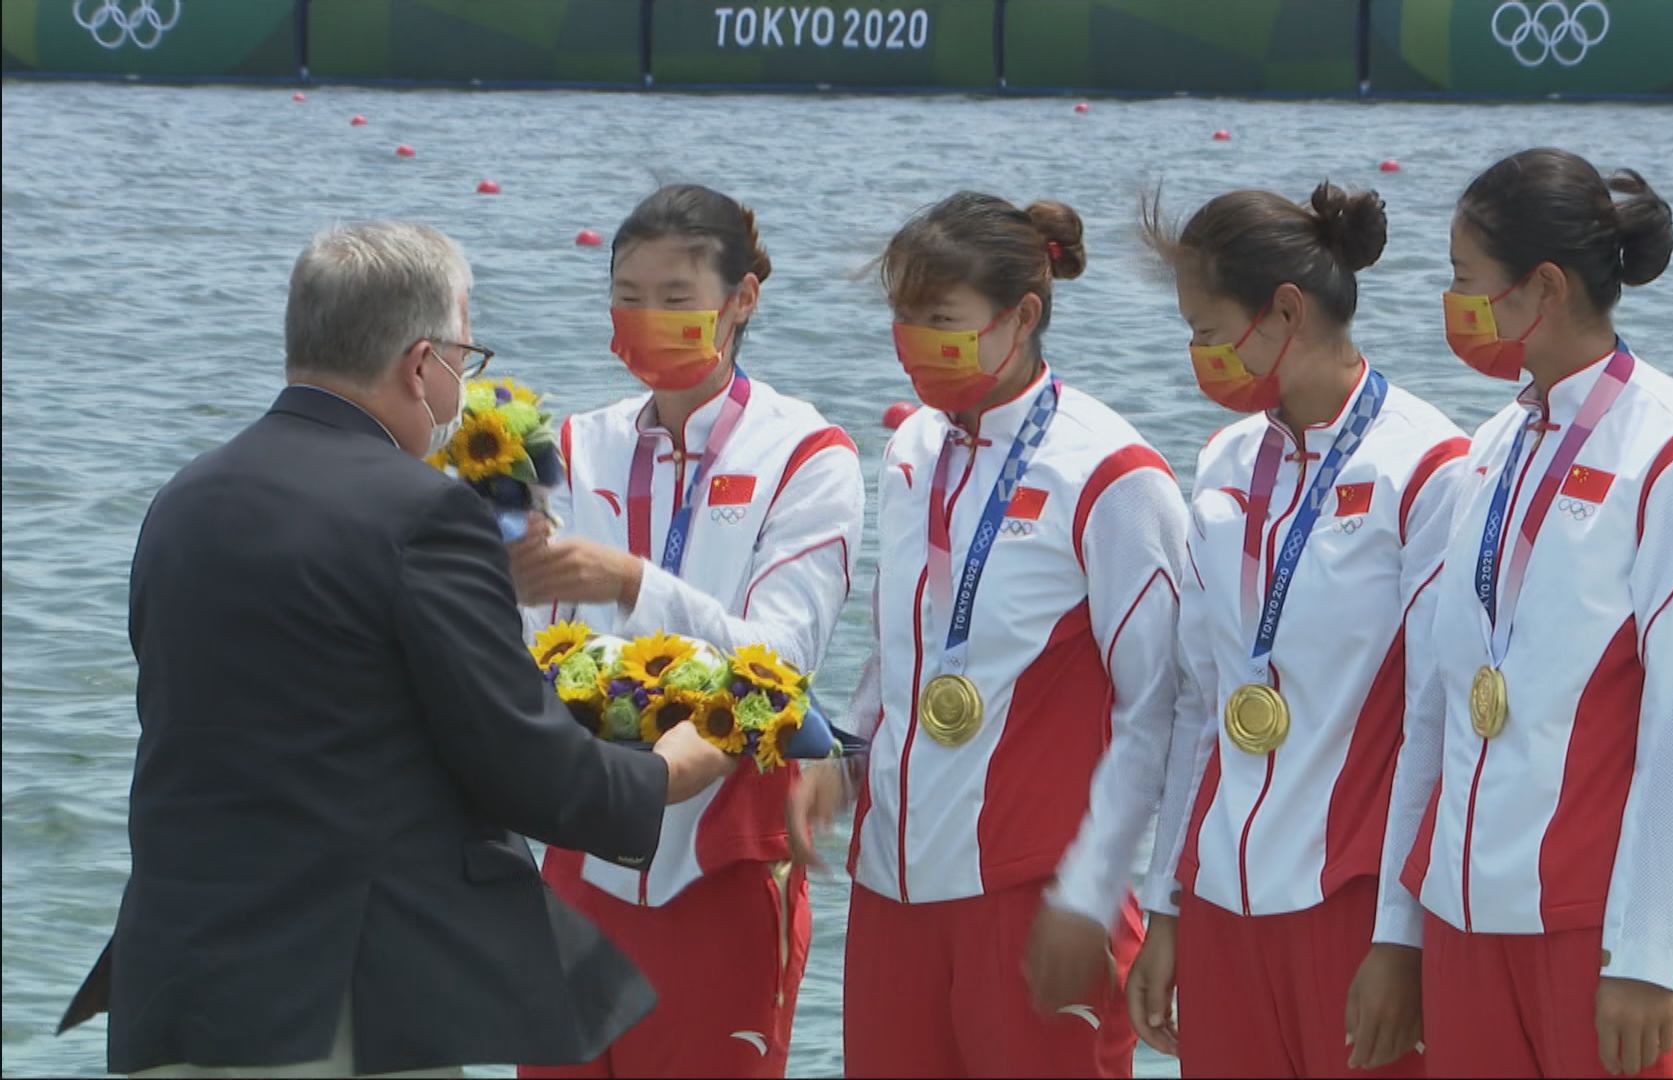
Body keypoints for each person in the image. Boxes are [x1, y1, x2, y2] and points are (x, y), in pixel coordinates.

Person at [55, 222, 738, 1079]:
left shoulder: (184, 497)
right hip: (335, 1004)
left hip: (176, 982)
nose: (464, 386)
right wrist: (680, 760)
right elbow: (527, 769)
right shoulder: (425, 513)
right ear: (422, 365)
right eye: (465, 358)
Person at [786, 192, 1186, 1079]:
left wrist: (1100, 894)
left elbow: (1161, 711)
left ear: (1023, 317)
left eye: (940, 319)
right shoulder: (911, 452)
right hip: (891, 894)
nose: (914, 340)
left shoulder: (1113, 476)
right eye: (902, 318)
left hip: (1038, 899)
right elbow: (900, 646)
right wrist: (839, 761)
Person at [1394, 148, 1673, 1078]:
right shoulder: (1491, 444)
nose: (1453, 302)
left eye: (1464, 280)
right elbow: (1439, 702)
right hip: (1469, 925)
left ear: (1542, 288)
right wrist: (1405, 929)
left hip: (1604, 941)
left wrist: (1646, 954)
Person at [508, 184, 864, 1080]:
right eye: (628, 296)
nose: (646, 318)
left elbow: (780, 662)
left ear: (741, 301)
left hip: (724, 868)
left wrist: (634, 585)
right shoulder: (575, 445)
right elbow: (524, 641)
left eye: (676, 299)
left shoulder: (806, 454)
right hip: (578, 866)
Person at [1120, 181, 1468, 1079]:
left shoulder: (1430, 466)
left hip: (1353, 907)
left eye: (1205, 332)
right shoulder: (1223, 461)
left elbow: (1436, 723)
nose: (1198, 356)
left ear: (1284, 312)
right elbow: (1203, 704)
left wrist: (1402, 939)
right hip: (1222, 904)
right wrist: (1166, 910)